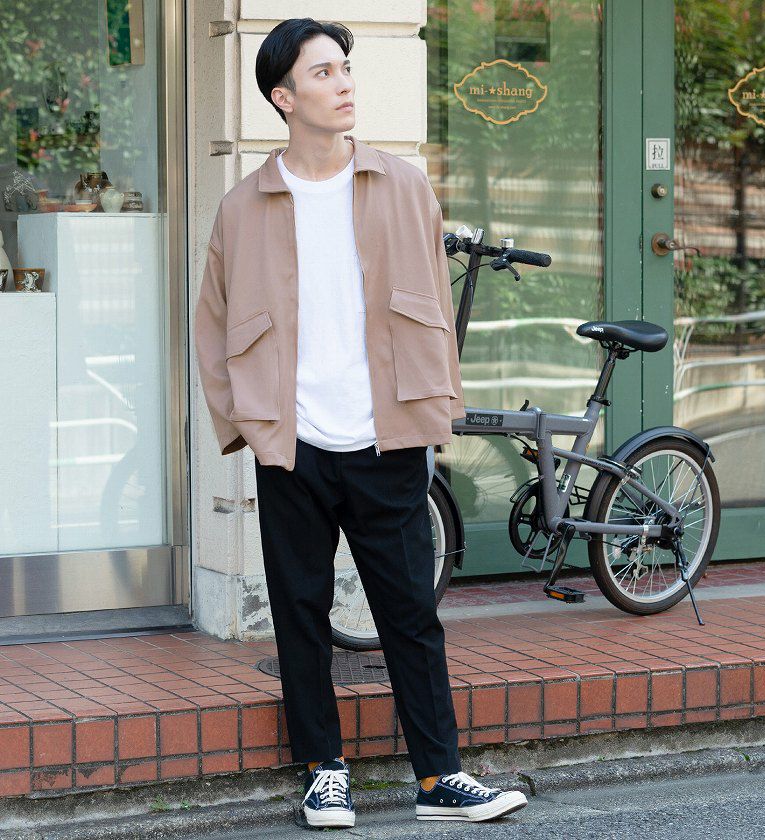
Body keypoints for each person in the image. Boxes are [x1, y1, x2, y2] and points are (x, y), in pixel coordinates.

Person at [194, 17, 528, 829]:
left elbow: (433, 311)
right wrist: (250, 428)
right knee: (300, 613)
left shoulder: (402, 186)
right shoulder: (243, 207)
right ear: (283, 97)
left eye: (345, 68)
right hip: (293, 444)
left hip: (387, 438)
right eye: (323, 73)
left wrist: (434, 411)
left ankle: (439, 778)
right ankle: (323, 771)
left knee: (410, 614)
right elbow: (214, 326)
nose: (343, 83)